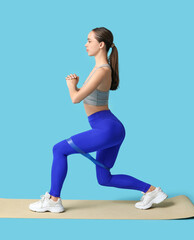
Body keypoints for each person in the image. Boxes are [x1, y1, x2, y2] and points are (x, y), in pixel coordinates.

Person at [29, 27, 168, 213]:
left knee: (58, 149)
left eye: (89, 40)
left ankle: (54, 199)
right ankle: (151, 191)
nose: (85, 44)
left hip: (106, 128)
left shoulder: (101, 70)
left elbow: (75, 98)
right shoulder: (100, 69)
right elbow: (86, 95)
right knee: (104, 179)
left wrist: (71, 85)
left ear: (101, 44)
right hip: (111, 127)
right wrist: (77, 86)